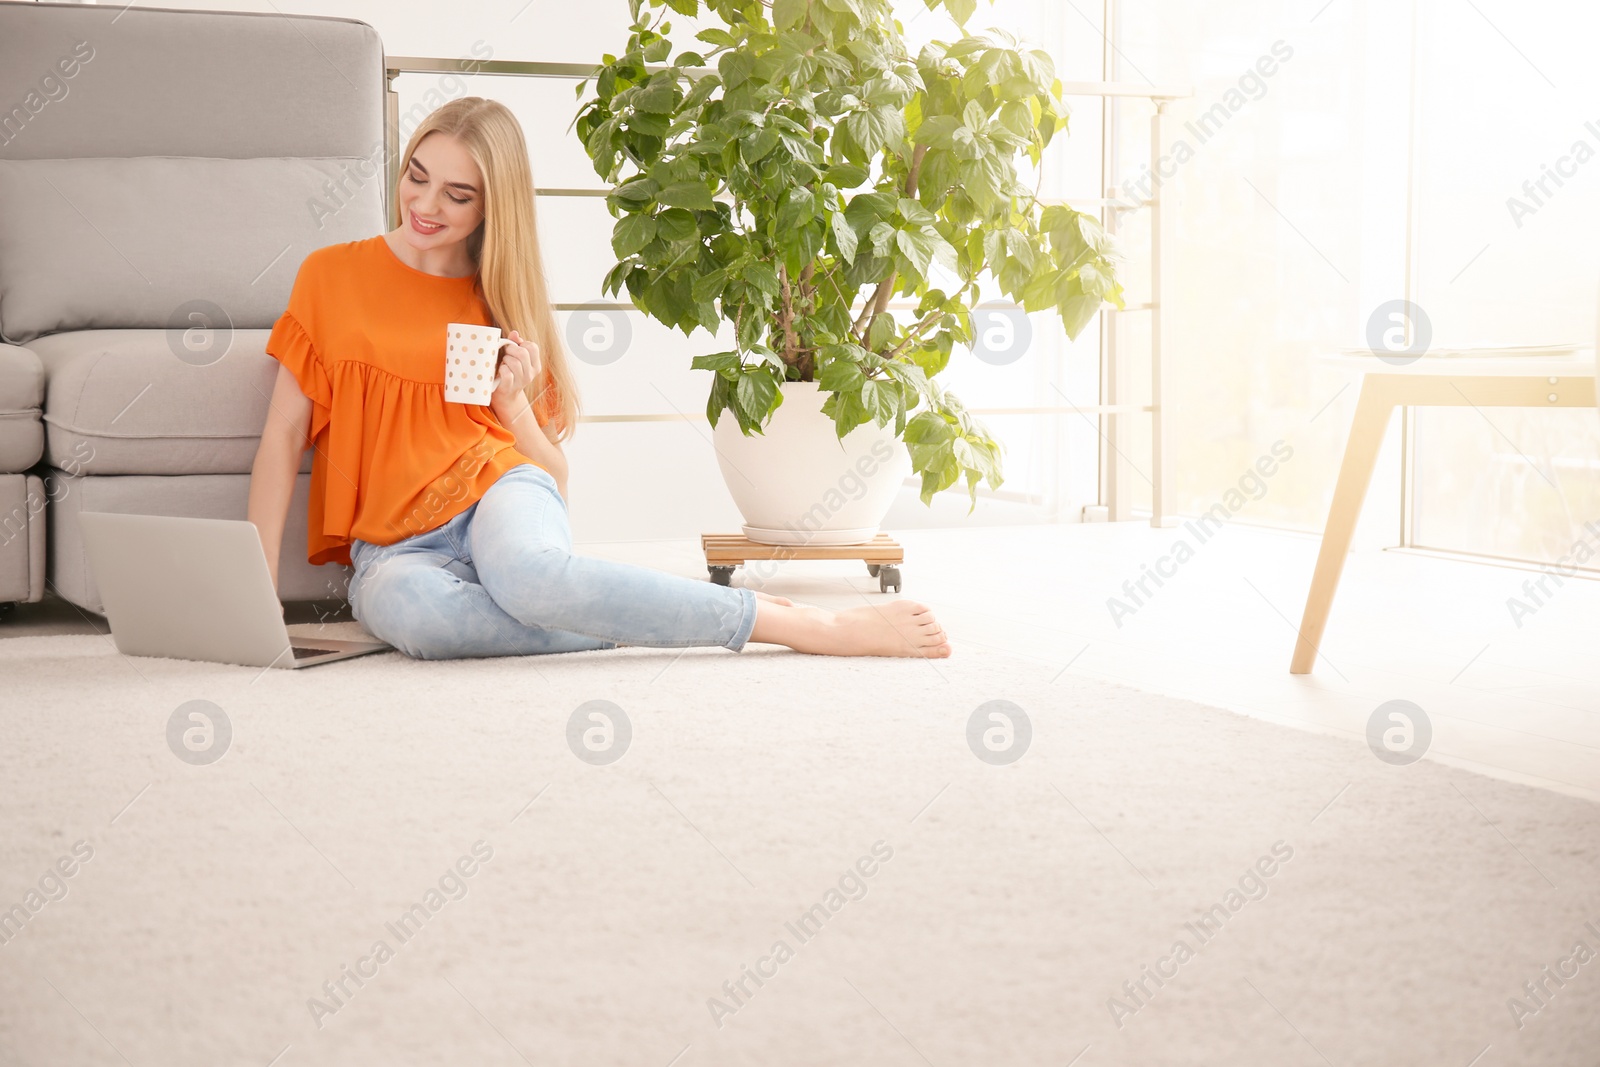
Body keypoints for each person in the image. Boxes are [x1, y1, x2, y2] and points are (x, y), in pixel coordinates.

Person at [246, 97, 951, 661]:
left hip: (498, 492)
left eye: (457, 195)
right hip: (392, 546)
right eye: (416, 176)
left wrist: (514, 404)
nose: (425, 205)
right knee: (424, 622)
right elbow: (282, 438)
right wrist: (257, 592)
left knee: (529, 577)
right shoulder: (331, 275)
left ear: (493, 207)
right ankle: (627, 615)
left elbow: (552, 473)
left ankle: (795, 624)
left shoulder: (503, 302)